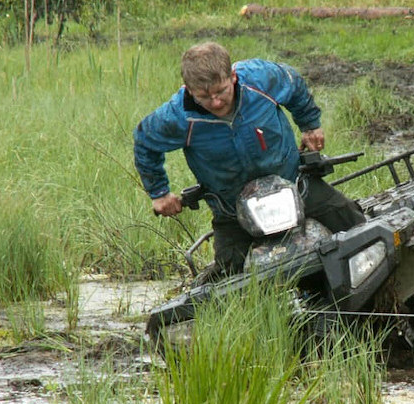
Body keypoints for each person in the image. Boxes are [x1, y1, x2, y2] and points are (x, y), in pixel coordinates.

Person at [133, 41, 366, 275]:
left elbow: (293, 82)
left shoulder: (260, 79)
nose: (215, 102)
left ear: (232, 76)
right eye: (204, 96)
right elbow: (144, 141)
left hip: (295, 185)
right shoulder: (178, 116)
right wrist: (160, 193)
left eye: (221, 91)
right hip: (232, 209)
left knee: (357, 228)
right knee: (227, 278)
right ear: (189, 89)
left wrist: (310, 125)